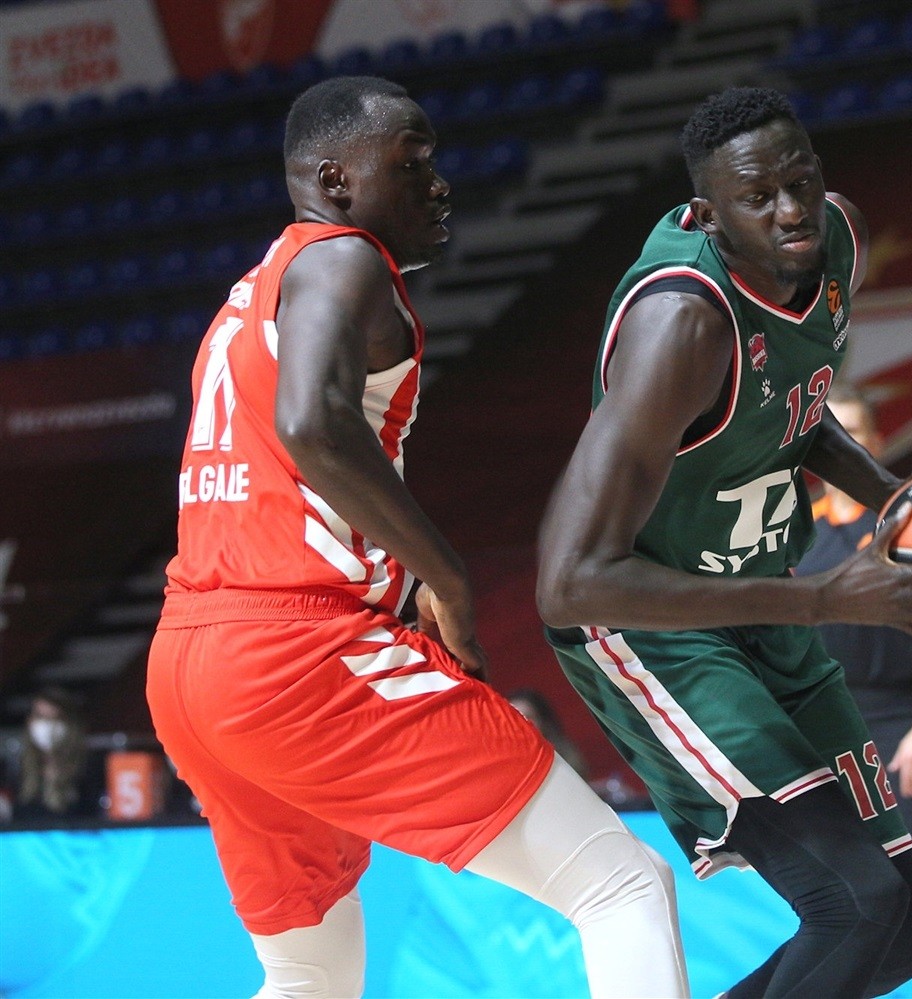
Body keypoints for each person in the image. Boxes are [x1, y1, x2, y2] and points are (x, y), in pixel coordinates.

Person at [146, 76, 687, 999]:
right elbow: (312, 423)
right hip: (298, 653)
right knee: (623, 885)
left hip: (192, 659)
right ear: (335, 180)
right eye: (412, 161)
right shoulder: (343, 257)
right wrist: (448, 577)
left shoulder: (255, 287)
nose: (439, 182)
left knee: (309, 974)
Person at [537, 86, 912, 998]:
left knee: (906, 923)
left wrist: (897, 498)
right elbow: (569, 582)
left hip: (760, 601)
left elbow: (793, 406)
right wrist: (823, 599)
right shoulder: (683, 324)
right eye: (758, 197)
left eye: (801, 183)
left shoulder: (837, 242)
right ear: (710, 215)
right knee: (854, 904)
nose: (791, 211)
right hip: (649, 625)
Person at [798, 385, 912, 999]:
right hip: (819, 725)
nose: (842, 443)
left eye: (854, 432)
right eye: (830, 433)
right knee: (836, 903)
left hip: (896, 722)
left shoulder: (910, 525)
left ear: (876, 444)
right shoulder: (798, 530)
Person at [9, 686, 96, 822]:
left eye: (54, 718)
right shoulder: (20, 770)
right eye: (40, 717)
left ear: (69, 724)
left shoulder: (88, 768)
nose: (46, 725)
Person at [508, 687, 592, 780]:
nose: (521, 725)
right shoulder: (508, 763)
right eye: (515, 719)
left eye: (528, 717)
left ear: (543, 720)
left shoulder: (565, 755)